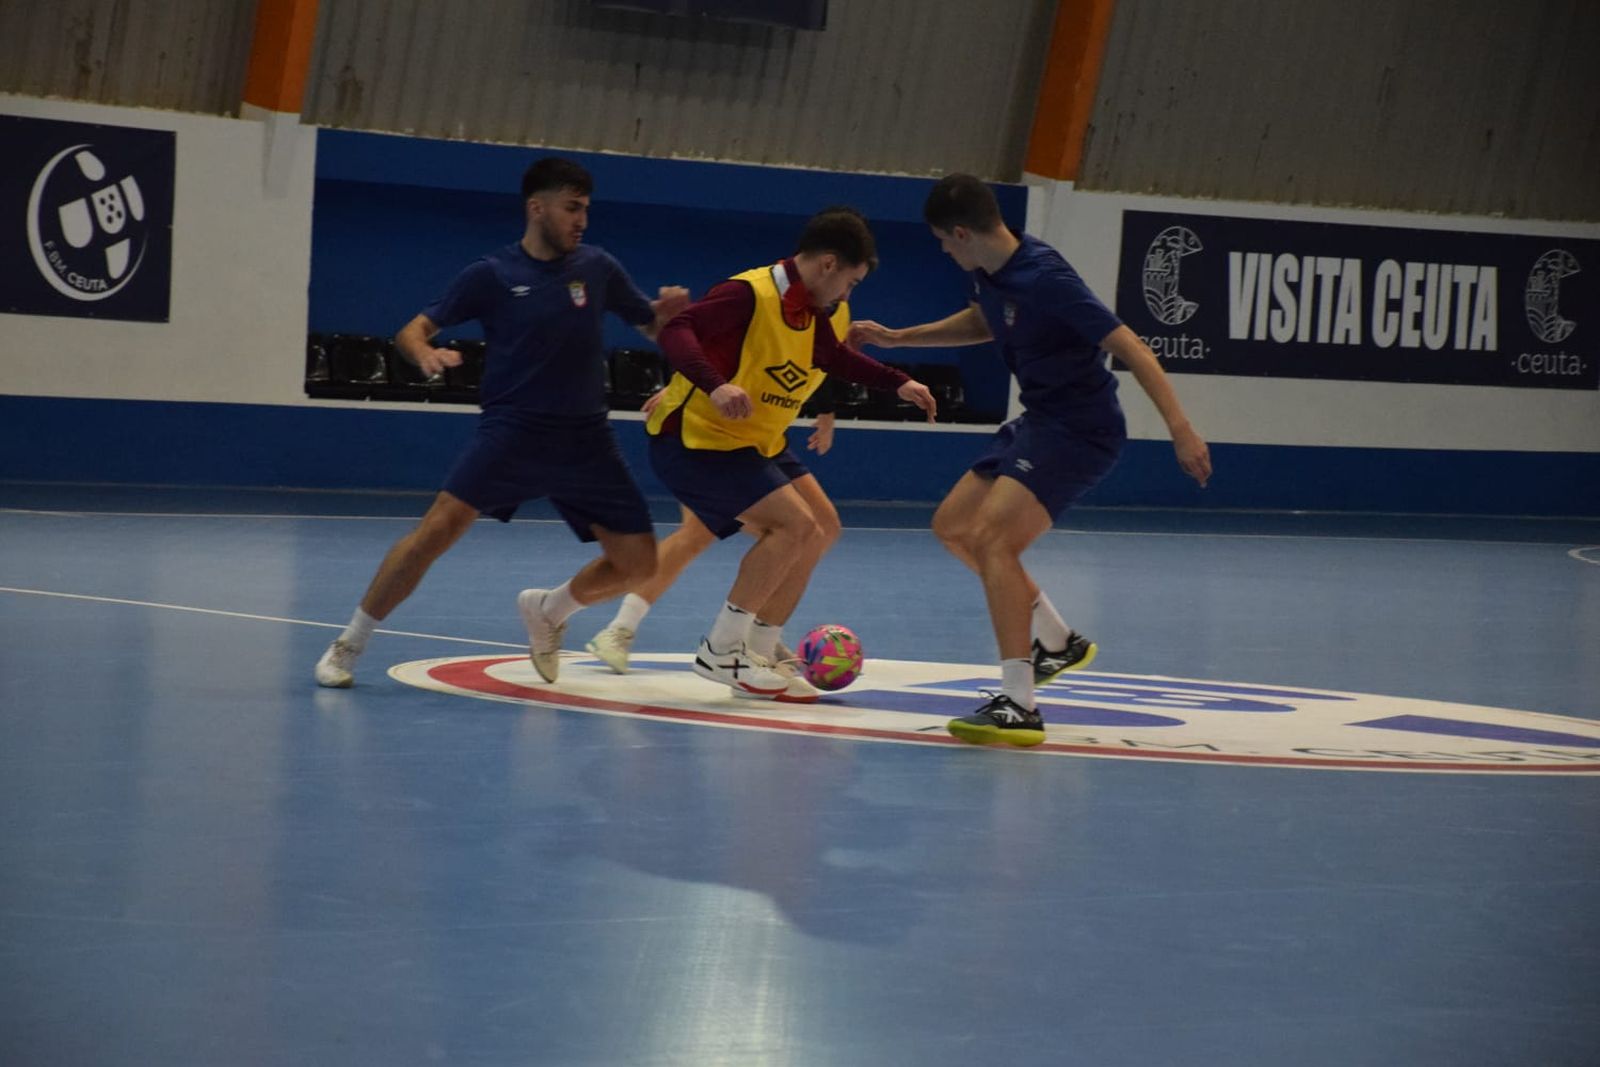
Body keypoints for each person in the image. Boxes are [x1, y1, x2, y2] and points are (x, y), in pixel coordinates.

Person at [849, 174, 1211, 747]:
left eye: (944, 240)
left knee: (995, 541)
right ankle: (1056, 639)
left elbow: (1132, 347)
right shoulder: (988, 270)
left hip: (1080, 429)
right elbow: (982, 320)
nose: (943, 251)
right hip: (1038, 422)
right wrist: (898, 338)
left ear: (963, 233)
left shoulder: (1048, 278)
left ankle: (1020, 704)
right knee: (952, 527)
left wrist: (1181, 429)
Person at [313, 157, 690, 688]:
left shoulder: (598, 267)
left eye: (585, 209)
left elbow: (651, 325)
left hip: (586, 439)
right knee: (435, 532)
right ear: (537, 208)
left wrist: (669, 316)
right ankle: (348, 643)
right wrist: (424, 353)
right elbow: (412, 330)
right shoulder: (491, 274)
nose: (581, 220)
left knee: (638, 563)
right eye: (571, 208)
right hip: (513, 431)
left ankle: (549, 611)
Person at [645, 207, 937, 702]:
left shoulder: (808, 310)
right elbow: (677, 331)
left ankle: (756, 647)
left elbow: (833, 357)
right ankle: (721, 650)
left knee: (816, 527)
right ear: (828, 264)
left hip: (743, 441)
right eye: (851, 281)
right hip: (693, 438)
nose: (849, 295)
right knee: (795, 526)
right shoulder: (747, 293)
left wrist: (899, 382)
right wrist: (714, 387)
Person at [587, 362, 846, 678]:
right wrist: (685, 384)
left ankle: (760, 636)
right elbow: (710, 331)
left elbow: (824, 350)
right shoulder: (755, 312)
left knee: (823, 526)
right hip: (712, 427)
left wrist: (827, 411)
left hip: (762, 432)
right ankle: (619, 629)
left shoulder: (832, 315)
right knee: (698, 533)